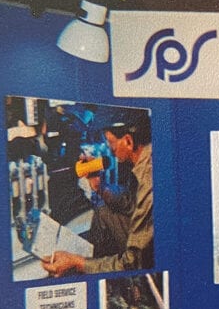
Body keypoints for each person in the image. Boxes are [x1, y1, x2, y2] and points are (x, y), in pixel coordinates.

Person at [42, 114, 154, 276]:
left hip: (145, 260)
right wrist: (100, 186)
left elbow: (133, 262)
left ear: (128, 141)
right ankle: (94, 262)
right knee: (104, 211)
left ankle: (93, 270)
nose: (111, 151)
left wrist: (78, 263)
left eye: (111, 144)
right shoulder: (144, 161)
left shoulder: (149, 178)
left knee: (88, 263)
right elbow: (132, 206)